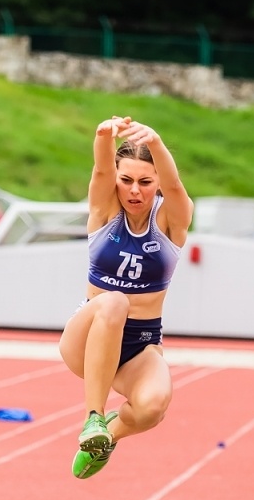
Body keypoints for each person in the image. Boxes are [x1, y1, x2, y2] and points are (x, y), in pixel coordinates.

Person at [60, 116, 192, 479]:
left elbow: (178, 188)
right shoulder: (105, 213)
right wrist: (102, 136)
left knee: (152, 408)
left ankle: (108, 436)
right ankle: (93, 419)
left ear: (158, 183)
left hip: (140, 343)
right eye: (127, 180)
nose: (135, 190)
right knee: (115, 300)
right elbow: (101, 172)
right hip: (89, 336)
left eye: (146, 182)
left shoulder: (170, 222)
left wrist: (158, 143)